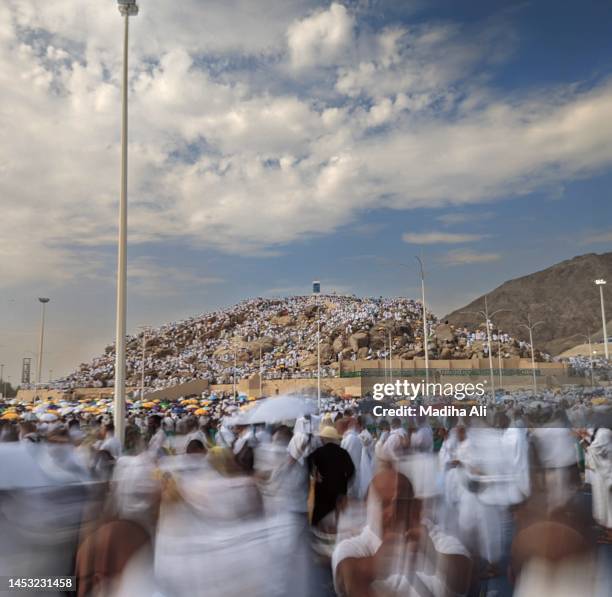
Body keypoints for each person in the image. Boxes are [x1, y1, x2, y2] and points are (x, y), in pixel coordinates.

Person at [308, 425, 355, 527]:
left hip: (323, 488)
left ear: (324, 438)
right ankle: (335, 535)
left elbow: (308, 463)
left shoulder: (318, 452)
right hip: (339, 488)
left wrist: (315, 474)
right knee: (337, 513)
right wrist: (344, 482)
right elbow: (351, 470)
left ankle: (319, 534)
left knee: (321, 512)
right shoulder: (343, 453)